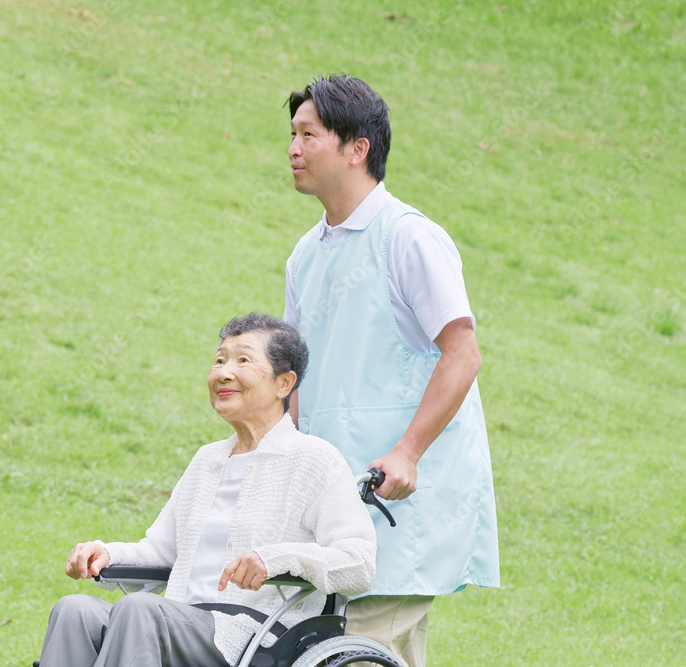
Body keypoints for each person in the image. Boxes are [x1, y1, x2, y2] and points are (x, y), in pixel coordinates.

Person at [283, 74, 500, 667]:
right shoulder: (306, 254)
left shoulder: (409, 238)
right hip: (334, 497)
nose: (293, 148)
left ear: (358, 148)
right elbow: (293, 379)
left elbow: (463, 353)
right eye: (292, 134)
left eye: (309, 134)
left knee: (359, 649)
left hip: (396, 498)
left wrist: (407, 452)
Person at [38, 313, 376, 667]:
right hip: (177, 620)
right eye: (219, 360)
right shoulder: (208, 460)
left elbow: (360, 563)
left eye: (243, 360)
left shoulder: (314, 459)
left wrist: (277, 557)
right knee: (74, 609)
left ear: (283, 384)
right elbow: (160, 551)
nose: (224, 373)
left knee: (139, 610)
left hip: (257, 637)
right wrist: (105, 553)